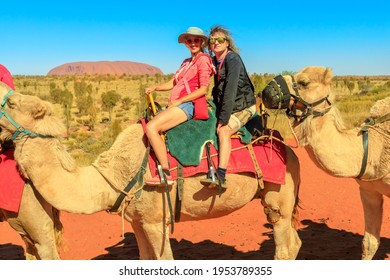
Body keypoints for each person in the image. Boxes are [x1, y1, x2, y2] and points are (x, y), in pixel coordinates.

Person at [144, 27, 214, 186]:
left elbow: (204, 89)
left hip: (188, 106)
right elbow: (173, 82)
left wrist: (180, 101)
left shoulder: (203, 59)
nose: (193, 43)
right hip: (178, 104)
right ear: (186, 43)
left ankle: (166, 174)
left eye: (196, 40)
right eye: (189, 40)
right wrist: (156, 87)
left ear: (202, 41)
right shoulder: (186, 62)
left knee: (151, 128)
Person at [205, 25, 256, 188]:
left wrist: (224, 119)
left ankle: (221, 175)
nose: (216, 42)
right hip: (228, 105)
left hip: (243, 106)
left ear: (227, 43)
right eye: (212, 40)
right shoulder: (215, 60)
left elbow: (230, 90)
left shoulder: (232, 59)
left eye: (220, 39)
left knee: (223, 130)